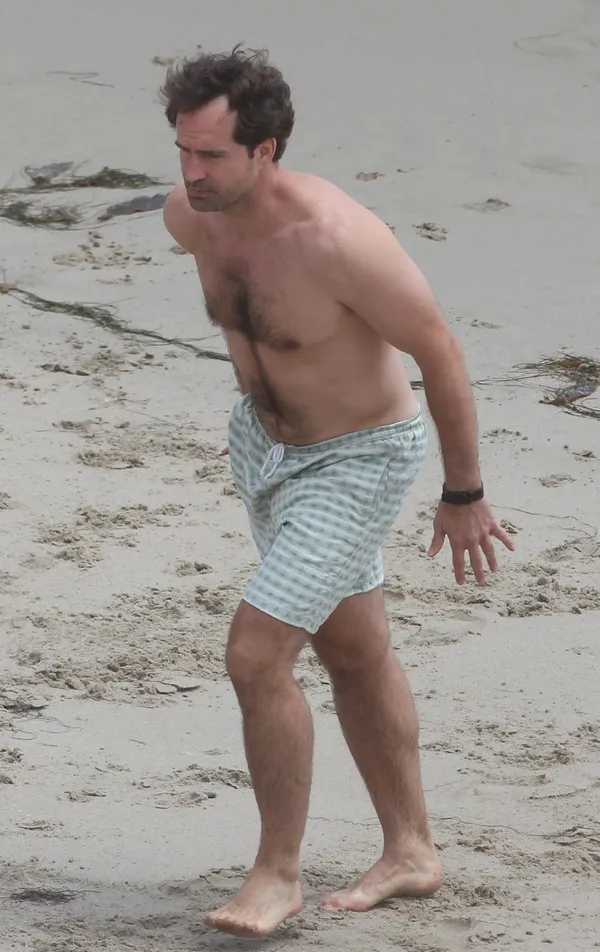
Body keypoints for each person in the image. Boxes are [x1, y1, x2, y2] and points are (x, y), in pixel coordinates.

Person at [160, 45, 515, 939]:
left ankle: (275, 875)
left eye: (212, 156)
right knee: (353, 649)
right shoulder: (191, 217)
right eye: (183, 150)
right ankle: (412, 851)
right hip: (265, 451)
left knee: (256, 655)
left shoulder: (337, 240)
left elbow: (440, 352)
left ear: (266, 149)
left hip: (357, 459)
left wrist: (464, 491)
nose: (192, 174)